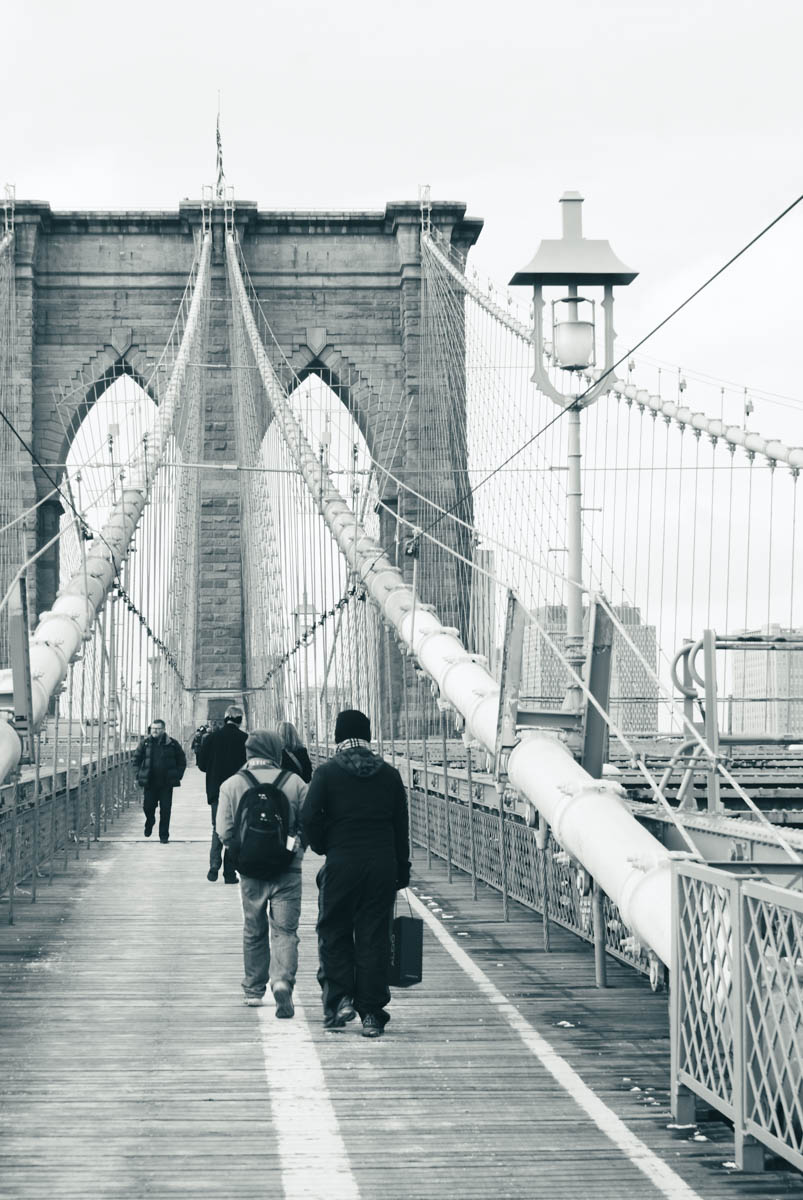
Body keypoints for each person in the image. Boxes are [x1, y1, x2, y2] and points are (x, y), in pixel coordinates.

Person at [301, 708, 410, 1039]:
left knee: (333, 931)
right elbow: (400, 827)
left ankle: (340, 1000)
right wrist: (401, 869)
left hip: (342, 863)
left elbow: (308, 819)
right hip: (380, 864)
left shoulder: (327, 773)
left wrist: (325, 847)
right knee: (374, 936)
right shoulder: (389, 775)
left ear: (337, 736)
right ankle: (372, 1015)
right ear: (369, 735)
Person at [216, 729, 308, 1015]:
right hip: (288, 870)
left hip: (251, 870)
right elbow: (308, 825)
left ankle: (254, 990)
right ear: (275, 751)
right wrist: (294, 849)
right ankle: (281, 982)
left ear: (249, 752)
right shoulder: (295, 782)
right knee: (285, 931)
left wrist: (240, 854)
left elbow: (224, 831)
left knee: (254, 928)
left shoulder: (232, 784)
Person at [196, 705, 247, 884]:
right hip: (239, 791)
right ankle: (229, 873)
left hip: (216, 790)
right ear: (240, 720)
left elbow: (202, 765)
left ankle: (214, 864)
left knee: (218, 826)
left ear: (225, 718)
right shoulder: (245, 739)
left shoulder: (211, 738)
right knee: (235, 829)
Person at [133, 719, 187, 843]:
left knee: (166, 809)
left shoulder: (172, 744)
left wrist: (177, 775)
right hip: (150, 782)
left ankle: (164, 836)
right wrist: (137, 775)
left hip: (166, 783)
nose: (155, 731)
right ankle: (150, 821)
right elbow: (136, 760)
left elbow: (181, 760)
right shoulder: (145, 743)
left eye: (157, 729)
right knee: (148, 807)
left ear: (163, 730)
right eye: (153, 729)